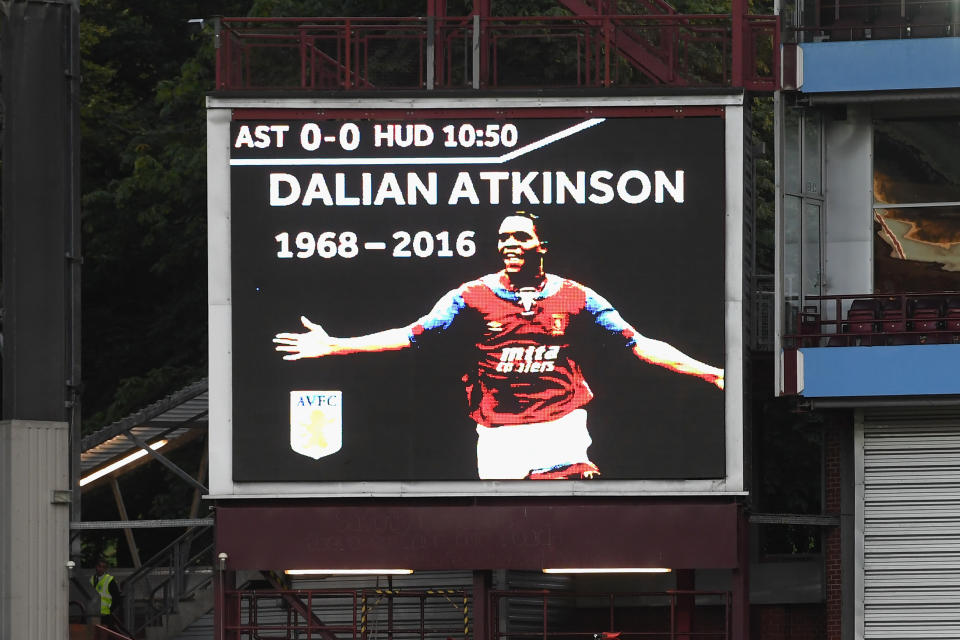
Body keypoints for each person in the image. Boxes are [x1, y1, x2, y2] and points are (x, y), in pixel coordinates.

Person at [274, 212, 724, 480]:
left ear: (541, 246)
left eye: (521, 237)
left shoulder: (576, 296)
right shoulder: (470, 295)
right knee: (512, 534)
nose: (510, 244)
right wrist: (335, 346)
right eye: (504, 238)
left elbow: (639, 343)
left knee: (574, 501)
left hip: (560, 423)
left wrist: (712, 372)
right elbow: (413, 334)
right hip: (498, 435)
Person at [90, 558, 122, 630]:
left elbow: (117, 598)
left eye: (103, 567)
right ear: (96, 567)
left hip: (105, 614)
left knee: (103, 634)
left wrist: (109, 610)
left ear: (106, 569)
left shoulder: (109, 580)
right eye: (99, 566)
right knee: (95, 634)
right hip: (93, 613)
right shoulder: (92, 579)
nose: (101, 569)